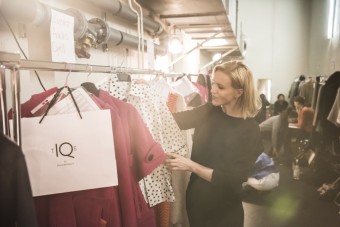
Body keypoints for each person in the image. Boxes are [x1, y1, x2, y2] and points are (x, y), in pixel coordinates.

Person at [165, 61, 263, 227]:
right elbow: (172, 121)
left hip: (224, 210)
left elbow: (231, 181)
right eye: (213, 84)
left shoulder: (249, 130)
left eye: (221, 87)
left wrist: (191, 165)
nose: (212, 90)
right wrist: (148, 101)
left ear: (238, 92)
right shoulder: (209, 111)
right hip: (196, 202)